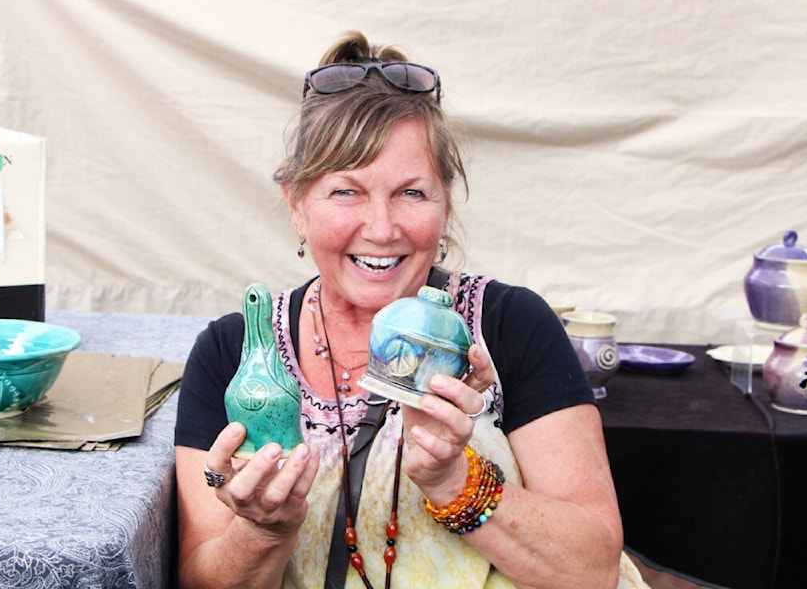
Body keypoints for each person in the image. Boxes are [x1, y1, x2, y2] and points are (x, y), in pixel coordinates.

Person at [174, 31, 649, 589]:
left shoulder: (509, 326)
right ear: (296, 206)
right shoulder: (235, 354)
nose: (381, 228)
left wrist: (456, 482)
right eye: (345, 192)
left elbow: (591, 570)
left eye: (412, 193)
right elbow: (200, 579)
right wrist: (263, 531)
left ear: (445, 204)